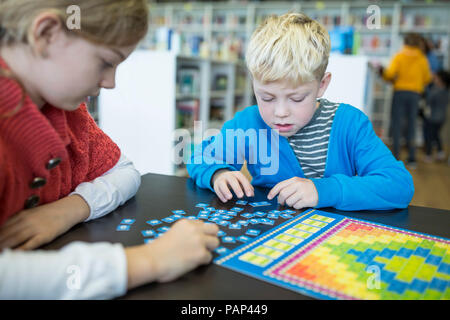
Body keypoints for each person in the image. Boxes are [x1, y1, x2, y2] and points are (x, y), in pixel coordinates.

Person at [0, 0, 219, 299]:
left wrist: (67, 210)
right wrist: (148, 261)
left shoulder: (68, 113)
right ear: (47, 34)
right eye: (105, 62)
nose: (111, 82)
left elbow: (124, 170)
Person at [187, 13, 414, 212]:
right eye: (266, 97)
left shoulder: (350, 124)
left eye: (296, 98)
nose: (281, 112)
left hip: (335, 242)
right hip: (271, 242)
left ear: (322, 85)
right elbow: (199, 156)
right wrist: (217, 173)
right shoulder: (249, 122)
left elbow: (399, 185)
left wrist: (324, 191)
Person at [381, 32, 432, 169]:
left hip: (400, 92)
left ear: (405, 42)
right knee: (412, 125)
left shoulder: (399, 56)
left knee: (397, 124)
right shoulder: (422, 58)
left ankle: (396, 157)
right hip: (415, 94)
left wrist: (385, 75)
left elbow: (389, 74)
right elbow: (427, 78)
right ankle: (412, 159)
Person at [423, 70, 450, 163]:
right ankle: (440, 152)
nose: (434, 78)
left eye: (436, 77)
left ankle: (428, 155)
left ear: (441, 80)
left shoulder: (435, 90)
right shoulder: (446, 91)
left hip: (432, 117)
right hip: (442, 118)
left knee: (429, 136)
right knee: (436, 135)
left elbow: (428, 100)